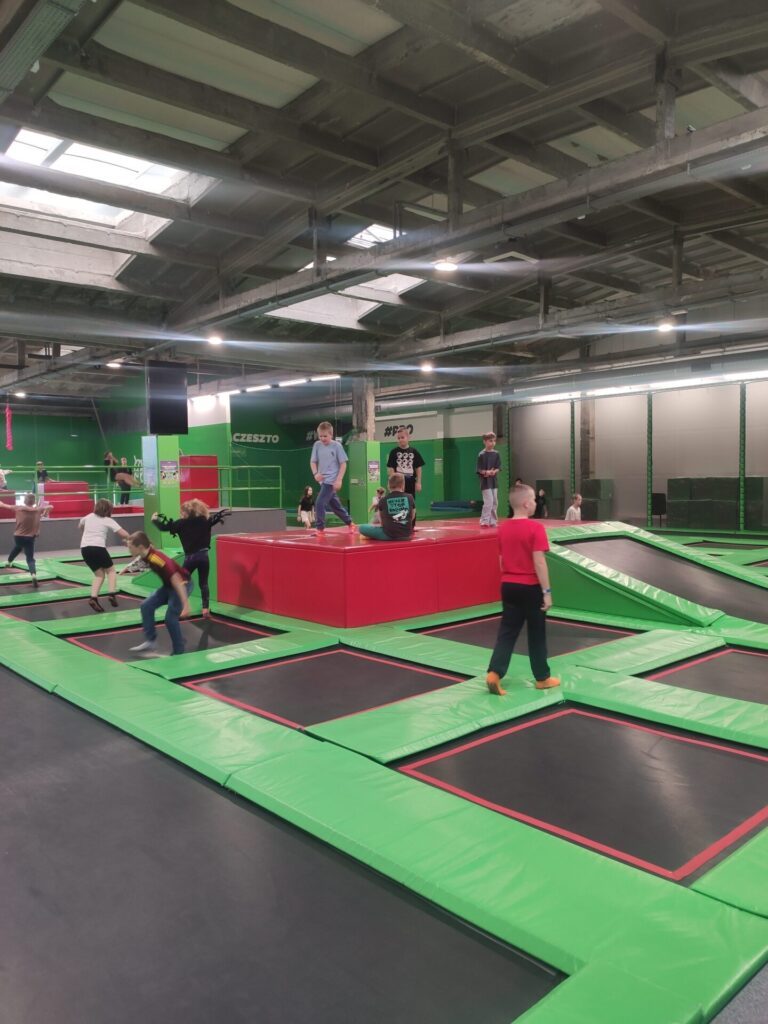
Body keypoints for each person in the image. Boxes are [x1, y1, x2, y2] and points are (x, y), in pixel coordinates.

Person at [486, 483, 560, 696]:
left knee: (507, 632)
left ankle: (494, 673)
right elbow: (539, 563)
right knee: (536, 633)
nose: (536, 503)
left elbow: (501, 561)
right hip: (530, 587)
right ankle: (542, 678)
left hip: (509, 585)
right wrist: (547, 592)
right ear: (527, 504)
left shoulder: (503, 528)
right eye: (534, 500)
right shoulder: (536, 528)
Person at [152, 501, 230, 617]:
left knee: (181, 582)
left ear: (185, 513)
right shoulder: (203, 520)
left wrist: (154, 520)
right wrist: (218, 516)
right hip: (204, 557)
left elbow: (164, 527)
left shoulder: (181, 523)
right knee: (203, 583)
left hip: (190, 558)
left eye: (181, 513)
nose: (180, 515)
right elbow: (213, 520)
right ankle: (205, 609)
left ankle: (183, 607)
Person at [124, 531, 192, 657]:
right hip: (168, 586)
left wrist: (186, 605)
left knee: (170, 619)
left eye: (130, 547)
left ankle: (179, 650)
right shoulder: (145, 553)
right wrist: (126, 569)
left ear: (140, 547)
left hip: (182, 584)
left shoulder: (157, 559)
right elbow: (139, 558)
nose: (128, 550)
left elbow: (177, 580)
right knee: (146, 606)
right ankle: (151, 642)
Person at [79, 498, 130, 612]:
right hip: (98, 548)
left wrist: (86, 531)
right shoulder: (107, 520)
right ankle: (112, 594)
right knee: (111, 571)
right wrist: (130, 539)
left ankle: (93, 598)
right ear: (108, 510)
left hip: (85, 549)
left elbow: (80, 526)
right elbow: (124, 534)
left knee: (99, 575)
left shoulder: (88, 517)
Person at [310, 421, 355, 533]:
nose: (322, 438)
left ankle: (320, 529)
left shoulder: (337, 446)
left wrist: (339, 480)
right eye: (320, 436)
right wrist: (315, 473)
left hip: (331, 481)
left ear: (331, 435)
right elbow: (313, 462)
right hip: (322, 481)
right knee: (335, 506)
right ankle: (350, 522)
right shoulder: (317, 445)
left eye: (325, 436)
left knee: (319, 503)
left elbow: (343, 464)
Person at [359, 474, 415, 541]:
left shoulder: (383, 500)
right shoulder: (410, 497)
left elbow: (381, 521)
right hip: (406, 534)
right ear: (403, 485)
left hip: (389, 535)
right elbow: (412, 516)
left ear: (388, 486)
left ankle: (374, 536)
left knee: (362, 527)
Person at [1, 492, 43, 583]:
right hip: (30, 537)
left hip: (18, 536)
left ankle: (9, 561)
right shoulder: (37, 509)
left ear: (25, 500)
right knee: (30, 558)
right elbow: (51, 506)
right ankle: (33, 574)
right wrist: (46, 510)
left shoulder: (18, 508)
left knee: (18, 547)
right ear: (33, 501)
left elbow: (2, 505)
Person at [386, 427, 424, 505]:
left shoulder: (414, 451)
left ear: (408, 438)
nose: (400, 440)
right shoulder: (394, 452)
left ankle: (411, 513)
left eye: (402, 437)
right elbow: (391, 468)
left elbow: (418, 467)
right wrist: (391, 482)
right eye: (398, 438)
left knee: (410, 502)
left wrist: (418, 482)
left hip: (410, 480)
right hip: (398, 482)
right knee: (398, 502)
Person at [477, 432, 501, 527]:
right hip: (485, 482)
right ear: (485, 442)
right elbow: (479, 469)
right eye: (490, 441)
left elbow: (498, 467)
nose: (493, 443)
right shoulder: (481, 454)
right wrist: (486, 472)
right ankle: (484, 520)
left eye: (494, 441)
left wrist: (494, 471)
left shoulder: (496, 454)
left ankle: (493, 521)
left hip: (494, 482)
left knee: (495, 502)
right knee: (489, 502)